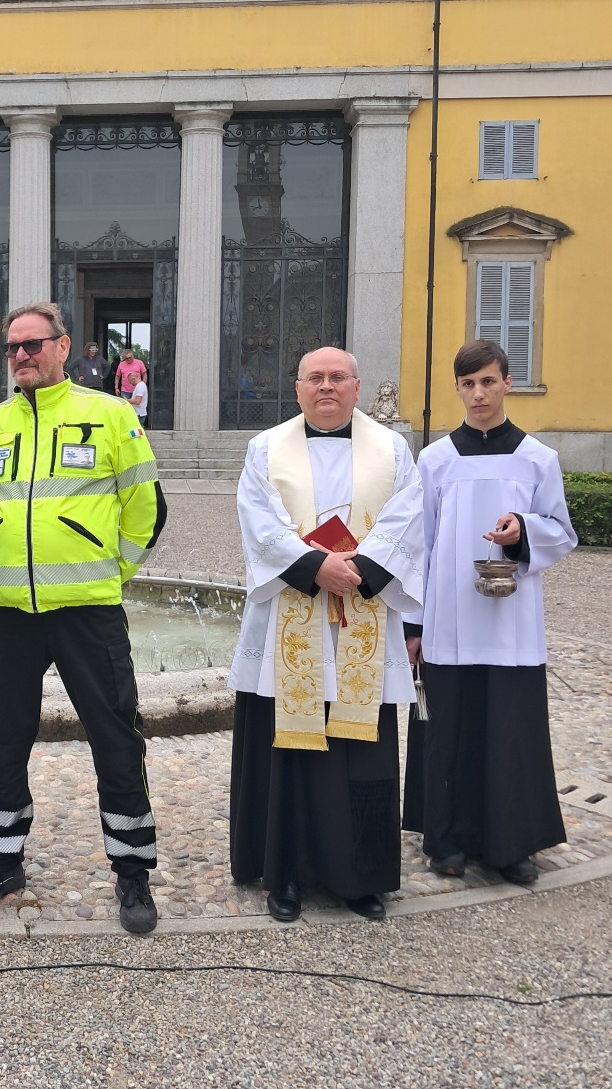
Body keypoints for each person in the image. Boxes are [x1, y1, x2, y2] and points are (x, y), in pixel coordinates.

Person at [0, 301, 168, 934]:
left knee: (116, 738)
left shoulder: (110, 414)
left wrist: (111, 571)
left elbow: (146, 509)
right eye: (13, 347)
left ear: (63, 346)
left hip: (88, 612)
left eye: (33, 344)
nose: (22, 356)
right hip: (8, 615)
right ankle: (1, 862)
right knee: (1, 739)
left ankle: (132, 871)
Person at [229, 346, 424, 922]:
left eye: (338, 377)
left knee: (360, 749)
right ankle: (285, 874)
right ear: (298, 388)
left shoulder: (393, 449)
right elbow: (257, 521)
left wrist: (358, 569)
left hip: (363, 608)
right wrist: (316, 566)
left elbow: (409, 516)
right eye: (315, 377)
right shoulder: (266, 447)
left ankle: (358, 877)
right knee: (288, 748)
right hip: (290, 614)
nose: (326, 386)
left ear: (358, 387)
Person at [402, 340, 577, 886]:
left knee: (511, 732)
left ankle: (510, 844)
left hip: (511, 622)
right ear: (457, 388)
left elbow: (561, 532)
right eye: (468, 383)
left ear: (506, 383)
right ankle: (447, 840)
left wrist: (524, 529)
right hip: (449, 619)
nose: (478, 393)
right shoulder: (435, 460)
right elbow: (418, 546)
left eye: (488, 381)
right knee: (448, 731)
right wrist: (413, 624)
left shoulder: (537, 458)